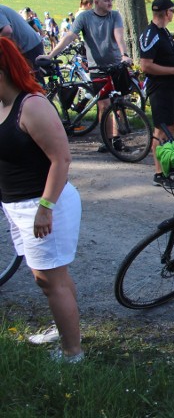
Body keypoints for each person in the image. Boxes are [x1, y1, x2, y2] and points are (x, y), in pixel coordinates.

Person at [0, 37, 83, 362]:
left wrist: (45, 208)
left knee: (52, 280)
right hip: (17, 206)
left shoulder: (31, 105)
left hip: (45, 205)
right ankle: (67, 329)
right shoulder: (3, 105)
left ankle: (72, 351)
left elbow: (61, 159)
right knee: (47, 278)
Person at [43, 0, 132, 151]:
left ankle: (116, 137)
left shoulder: (115, 15)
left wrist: (124, 54)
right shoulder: (85, 17)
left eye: (111, 0)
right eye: (106, 0)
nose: (110, 3)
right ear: (96, 2)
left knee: (119, 104)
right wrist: (51, 55)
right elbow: (70, 36)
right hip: (97, 67)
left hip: (116, 65)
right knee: (104, 105)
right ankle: (109, 139)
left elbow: (119, 36)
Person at [139, 0, 174, 186]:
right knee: (161, 129)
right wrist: (173, 70)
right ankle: (159, 173)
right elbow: (145, 65)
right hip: (160, 89)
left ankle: (168, 164)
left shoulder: (164, 32)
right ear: (166, 12)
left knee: (171, 126)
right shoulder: (151, 34)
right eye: (172, 10)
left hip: (171, 87)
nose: (173, 13)